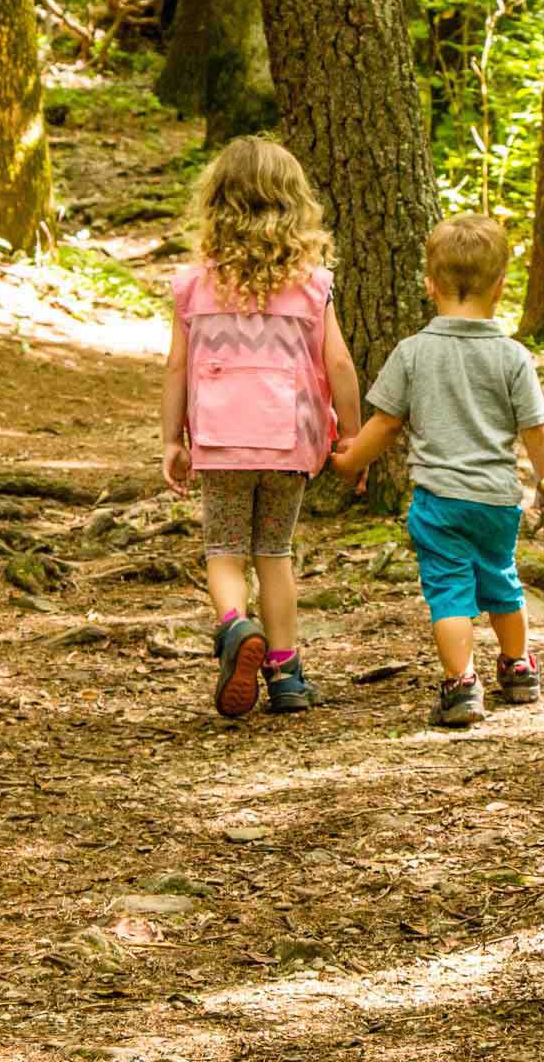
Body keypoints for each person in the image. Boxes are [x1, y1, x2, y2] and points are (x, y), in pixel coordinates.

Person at [330, 214, 544, 727]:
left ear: (429, 285)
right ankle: (518, 667)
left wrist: (349, 461)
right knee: (502, 580)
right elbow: (538, 429)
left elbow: (386, 424)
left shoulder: (413, 352)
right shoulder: (513, 357)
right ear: (500, 287)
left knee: (449, 593)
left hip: (439, 502)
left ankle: (461, 685)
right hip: (497, 500)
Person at [161, 136, 362, 718]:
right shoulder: (312, 284)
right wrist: (351, 435)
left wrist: (171, 440)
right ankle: (287, 674)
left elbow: (175, 367)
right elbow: (339, 363)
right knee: (275, 553)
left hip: (220, 441)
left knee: (224, 550)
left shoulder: (193, 285)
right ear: (293, 204)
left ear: (216, 202)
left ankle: (234, 627)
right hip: (289, 439)